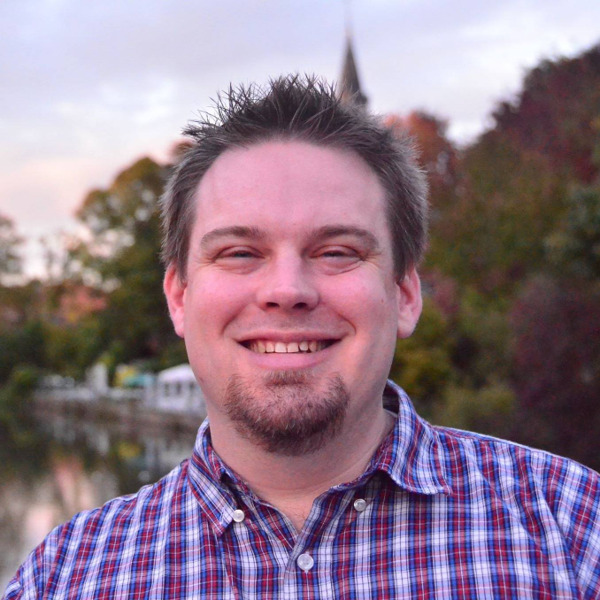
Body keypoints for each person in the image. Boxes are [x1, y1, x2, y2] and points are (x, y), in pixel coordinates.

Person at [4, 75, 600, 599]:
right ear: (180, 297)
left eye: (337, 251)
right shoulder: (65, 576)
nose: (287, 290)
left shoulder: (572, 531)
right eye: (239, 253)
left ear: (405, 295)